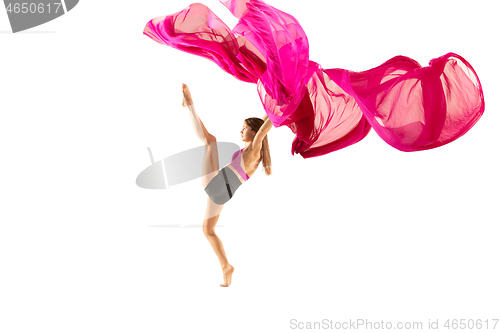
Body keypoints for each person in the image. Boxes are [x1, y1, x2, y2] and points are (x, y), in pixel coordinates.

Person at [181, 83, 273, 287]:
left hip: (220, 185)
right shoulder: (253, 153)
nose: (241, 130)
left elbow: (266, 126)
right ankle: (226, 266)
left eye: (245, 128)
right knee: (208, 230)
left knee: (210, 141)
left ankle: (188, 104)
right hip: (223, 192)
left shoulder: (254, 150)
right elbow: (266, 118)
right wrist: (275, 101)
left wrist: (280, 111)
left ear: (255, 133)